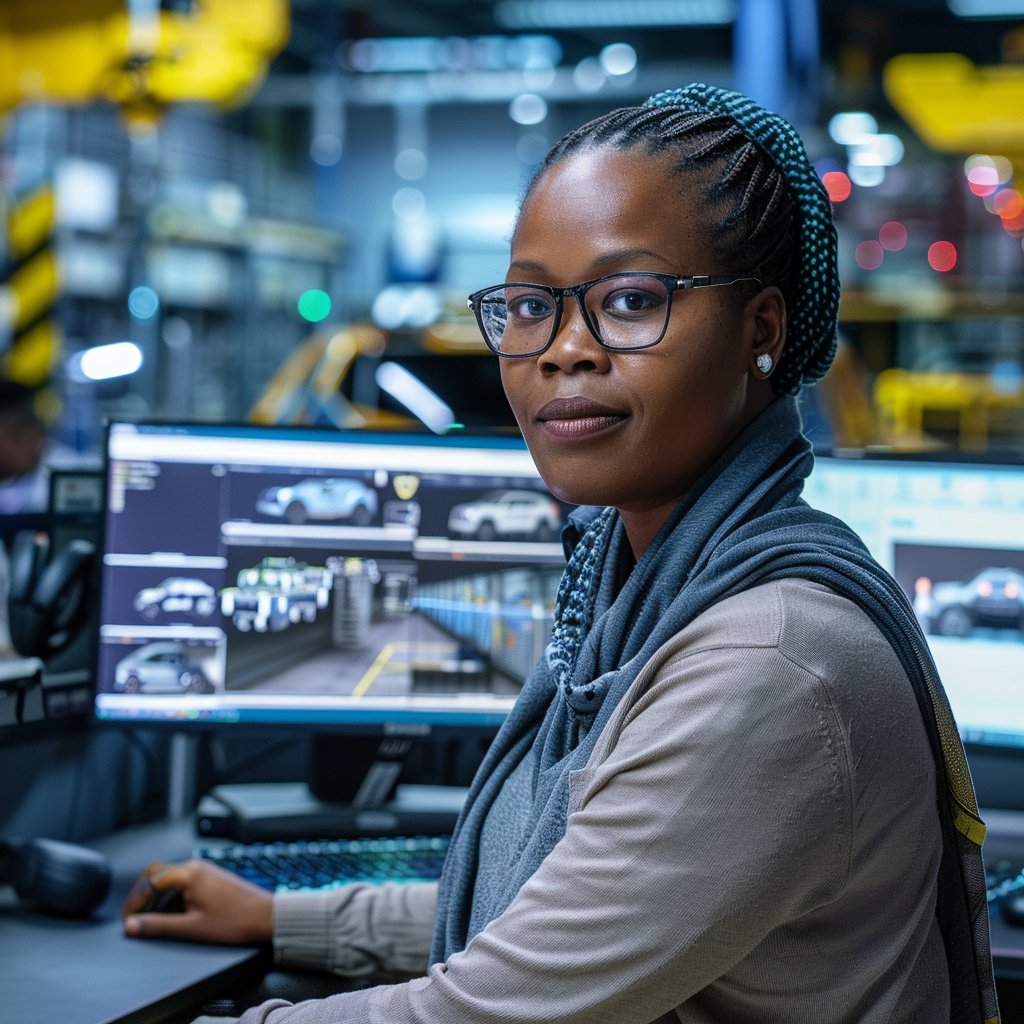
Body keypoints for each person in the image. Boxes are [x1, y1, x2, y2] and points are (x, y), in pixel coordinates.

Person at [123, 85, 998, 1024]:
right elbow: (567, 907)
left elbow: (483, 1013)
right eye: (533, 304)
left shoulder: (767, 664)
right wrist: (289, 918)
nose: (564, 351)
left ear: (762, 331)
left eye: (629, 300)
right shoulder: (658, 588)